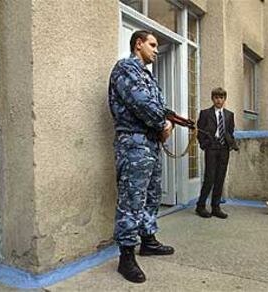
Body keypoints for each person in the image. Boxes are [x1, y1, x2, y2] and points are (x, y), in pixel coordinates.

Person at [108, 30, 175, 283]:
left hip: (150, 144)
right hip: (133, 143)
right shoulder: (126, 69)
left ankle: (148, 240)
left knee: (152, 194)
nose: (157, 50)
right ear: (138, 44)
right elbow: (142, 104)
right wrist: (163, 124)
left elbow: (158, 105)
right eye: (153, 45)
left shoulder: (147, 76)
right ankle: (126, 257)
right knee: (132, 198)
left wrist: (167, 121)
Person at [195, 87, 237, 219]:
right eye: (216, 98)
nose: (219, 100)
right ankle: (200, 206)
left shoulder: (229, 115)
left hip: (224, 149)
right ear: (212, 99)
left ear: (225, 99)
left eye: (221, 98)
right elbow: (200, 131)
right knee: (210, 178)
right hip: (211, 148)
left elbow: (230, 131)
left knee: (220, 178)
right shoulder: (205, 113)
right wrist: (205, 144)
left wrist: (230, 144)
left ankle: (215, 207)